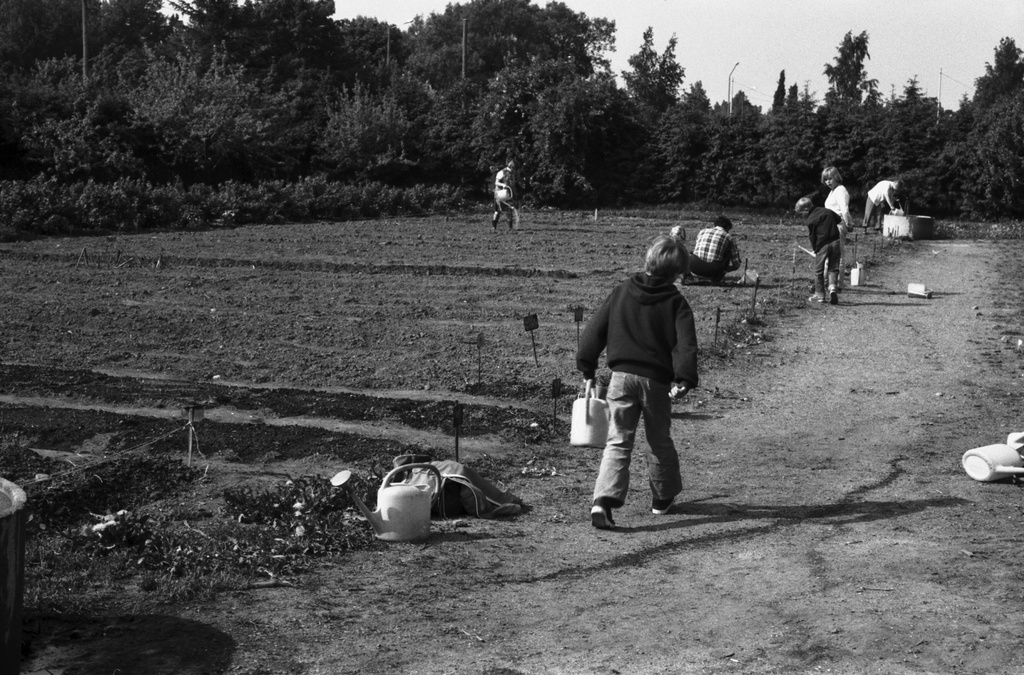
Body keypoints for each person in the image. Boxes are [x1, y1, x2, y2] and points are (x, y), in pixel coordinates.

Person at [576, 229, 699, 530]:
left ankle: (602, 502)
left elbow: (594, 331)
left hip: (620, 379)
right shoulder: (676, 302)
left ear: (648, 260)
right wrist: (684, 378)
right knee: (658, 439)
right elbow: (685, 344)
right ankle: (662, 498)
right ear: (677, 273)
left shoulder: (622, 290)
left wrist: (587, 368)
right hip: (655, 382)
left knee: (618, 441)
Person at [796, 196, 842, 305]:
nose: (801, 216)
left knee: (819, 271)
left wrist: (815, 249)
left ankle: (820, 295)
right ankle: (832, 289)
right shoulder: (827, 211)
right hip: (836, 242)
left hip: (822, 245)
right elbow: (839, 220)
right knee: (833, 268)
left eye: (801, 213)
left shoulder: (811, 219)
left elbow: (812, 237)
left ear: (806, 210)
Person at [821, 166, 852, 290]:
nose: (828, 182)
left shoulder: (840, 190)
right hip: (830, 225)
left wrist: (849, 224)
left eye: (830, 178)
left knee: (838, 255)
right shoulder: (832, 191)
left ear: (836, 177)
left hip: (838, 224)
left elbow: (844, 210)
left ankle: (838, 283)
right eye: (825, 179)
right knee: (828, 254)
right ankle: (826, 282)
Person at [688, 215, 742, 284]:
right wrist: (726, 269)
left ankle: (687, 276)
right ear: (728, 227)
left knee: (692, 253)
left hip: (693, 266)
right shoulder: (728, 237)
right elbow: (736, 264)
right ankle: (716, 280)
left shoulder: (702, 231)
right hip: (713, 270)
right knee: (728, 254)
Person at [491, 160, 517, 230]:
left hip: (508, 194)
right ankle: (494, 227)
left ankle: (510, 228)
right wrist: (503, 185)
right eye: (514, 168)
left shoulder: (512, 174)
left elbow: (512, 185)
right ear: (511, 167)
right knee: (497, 211)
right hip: (499, 193)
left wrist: (514, 195)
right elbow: (496, 183)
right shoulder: (502, 172)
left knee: (509, 210)